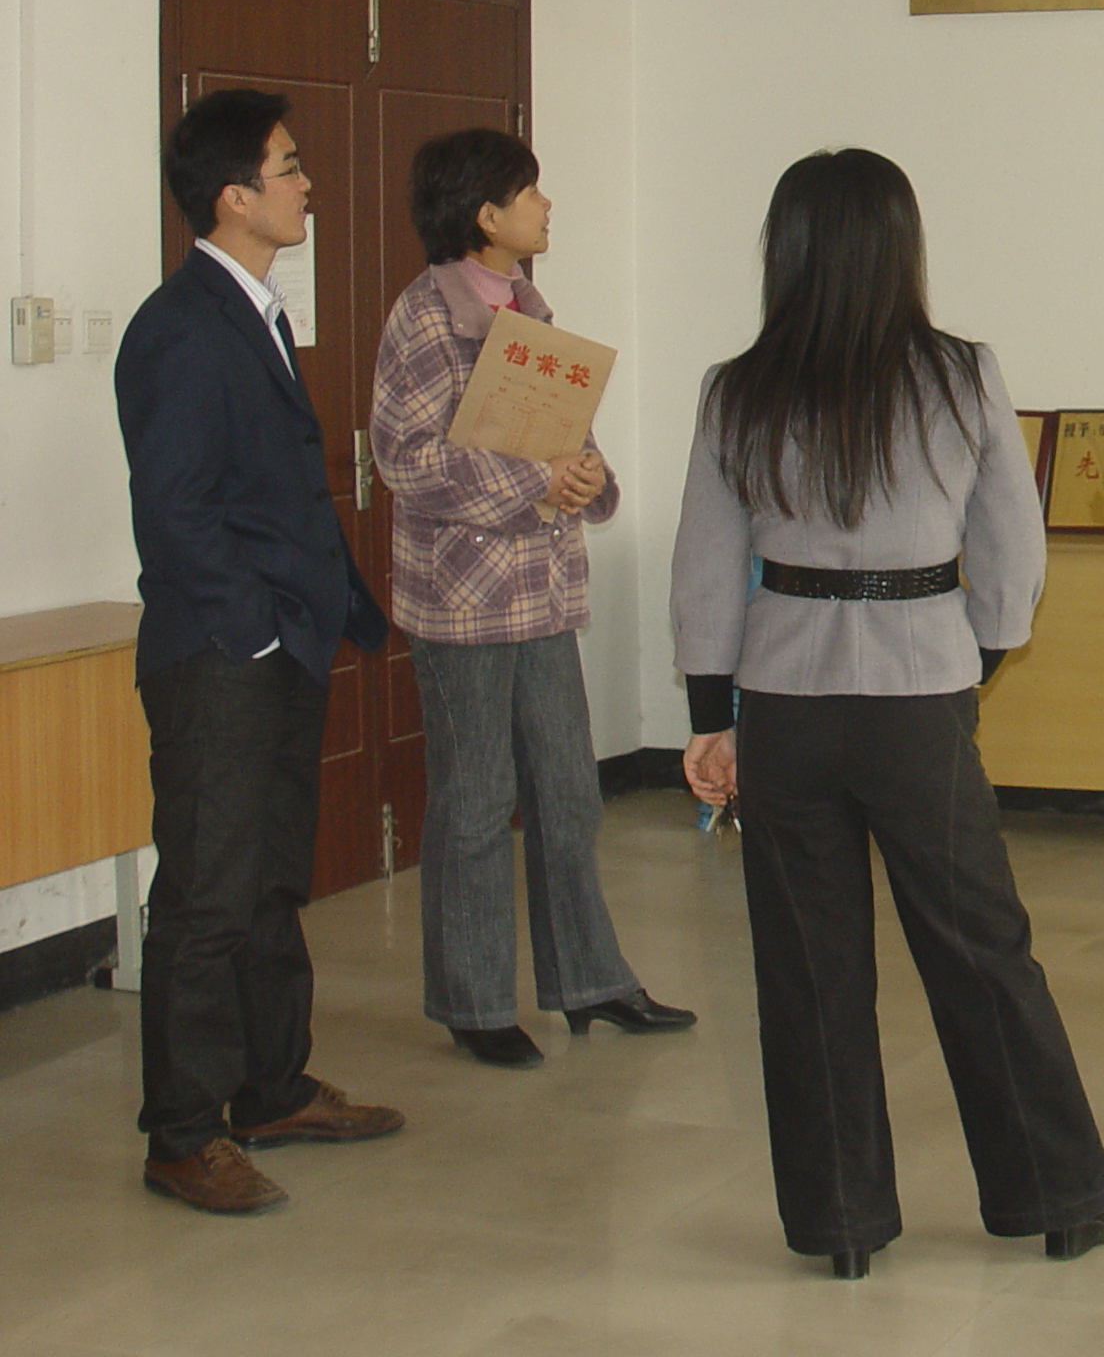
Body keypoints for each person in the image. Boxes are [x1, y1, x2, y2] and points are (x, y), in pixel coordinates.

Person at [672, 148, 1104, 1279]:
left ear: (786, 250)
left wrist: (709, 712)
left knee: (807, 969)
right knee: (981, 949)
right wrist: (975, 654)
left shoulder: (737, 389)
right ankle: (1059, 1198)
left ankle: (840, 1226)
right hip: (918, 695)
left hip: (785, 698)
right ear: (902, 246)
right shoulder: (960, 374)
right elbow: (1012, 544)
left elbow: (705, 561)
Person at [114, 88, 403, 1214]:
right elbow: (176, 511)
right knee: (206, 894)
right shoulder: (181, 327)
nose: (306, 184)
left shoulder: (256, 311)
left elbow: (276, 490)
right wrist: (257, 628)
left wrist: (322, 618)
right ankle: (183, 1135)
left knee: (273, 879)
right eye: (287, 167)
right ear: (233, 197)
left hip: (276, 644)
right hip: (220, 654)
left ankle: (271, 1088)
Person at [370, 128, 693, 1068]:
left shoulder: (529, 306)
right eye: (530, 193)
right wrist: (532, 482)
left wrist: (590, 480)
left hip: (541, 592)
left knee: (567, 792)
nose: (546, 208)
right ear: (485, 213)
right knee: (475, 802)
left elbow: (563, 436)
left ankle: (590, 980)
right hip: (464, 601)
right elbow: (406, 458)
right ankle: (473, 1001)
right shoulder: (423, 316)